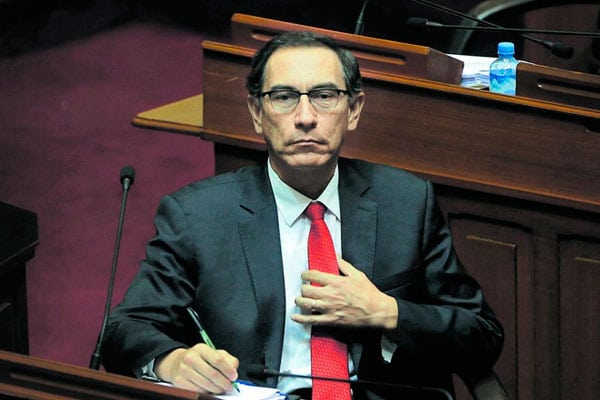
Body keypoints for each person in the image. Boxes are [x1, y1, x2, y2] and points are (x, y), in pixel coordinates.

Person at [101, 31, 503, 399]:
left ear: (354, 110)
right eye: (284, 97)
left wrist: (387, 312)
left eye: (324, 96)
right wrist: (172, 362)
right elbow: (123, 330)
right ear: (257, 112)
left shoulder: (406, 203)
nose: (306, 116)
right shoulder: (198, 216)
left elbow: (483, 334)